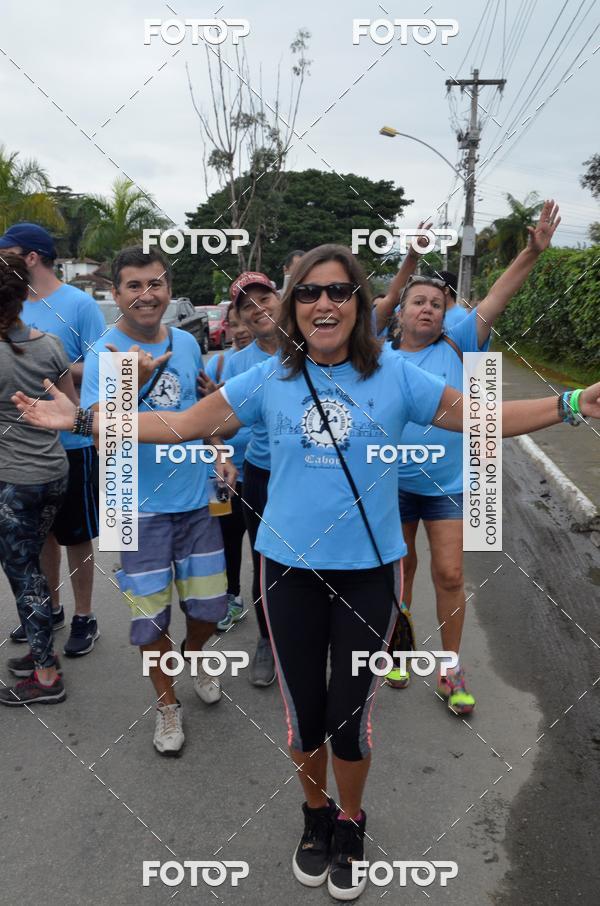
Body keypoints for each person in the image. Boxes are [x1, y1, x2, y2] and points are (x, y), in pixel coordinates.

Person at [17, 243, 600, 901]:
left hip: (370, 578)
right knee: (304, 720)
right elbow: (180, 425)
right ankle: (315, 814)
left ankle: (350, 820)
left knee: (350, 721)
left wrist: (574, 402)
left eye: (339, 291)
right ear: (294, 307)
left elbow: (482, 417)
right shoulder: (269, 379)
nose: (324, 303)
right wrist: (90, 417)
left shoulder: (397, 378)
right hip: (288, 574)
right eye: (309, 292)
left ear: (359, 303)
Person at [387, 200, 561, 711]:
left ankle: (449, 667)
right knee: (400, 571)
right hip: (391, 485)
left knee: (450, 574)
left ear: (446, 314)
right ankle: (397, 646)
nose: (427, 309)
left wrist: (531, 252)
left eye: (436, 303)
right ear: (400, 311)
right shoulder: (382, 358)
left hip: (448, 486)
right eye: (417, 301)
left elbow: (499, 296)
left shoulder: (460, 339)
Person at [79, 246, 233, 756]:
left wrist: (218, 452)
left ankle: (195, 650)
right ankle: (167, 706)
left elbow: (197, 410)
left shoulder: (188, 343)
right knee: (150, 618)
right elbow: (99, 432)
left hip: (194, 499)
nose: (147, 295)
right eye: (135, 286)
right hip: (132, 504)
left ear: (169, 289)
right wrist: (135, 383)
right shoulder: (104, 353)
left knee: (210, 606)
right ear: (116, 293)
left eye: (156, 284)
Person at [0, 222, 105, 657]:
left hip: (72, 444)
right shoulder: (15, 302)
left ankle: (84, 615)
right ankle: (49, 609)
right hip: (22, 454)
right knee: (40, 538)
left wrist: (49, 362)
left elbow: (103, 368)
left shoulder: (78, 304)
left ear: (30, 257)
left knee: (75, 535)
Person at [0, 254, 78, 705]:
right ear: (24, 294)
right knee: (32, 566)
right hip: (53, 472)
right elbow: (69, 410)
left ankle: (46, 676)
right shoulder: (49, 345)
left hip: (13, 481)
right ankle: (39, 650)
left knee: (23, 572)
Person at [220, 271, 282, 686]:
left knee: (320, 561)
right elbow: (210, 422)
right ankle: (268, 640)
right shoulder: (235, 364)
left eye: (265, 297)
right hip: (256, 474)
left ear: (280, 298)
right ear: (240, 316)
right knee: (263, 562)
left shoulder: (314, 342)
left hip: (315, 474)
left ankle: (323, 640)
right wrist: (221, 453)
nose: (258, 308)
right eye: (247, 304)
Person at [199, 303, 252, 632]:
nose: (241, 329)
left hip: (260, 471)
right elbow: (204, 423)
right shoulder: (219, 363)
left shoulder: (272, 363)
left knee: (262, 544)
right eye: (234, 324)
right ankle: (230, 596)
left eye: (246, 321)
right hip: (220, 475)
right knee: (223, 539)